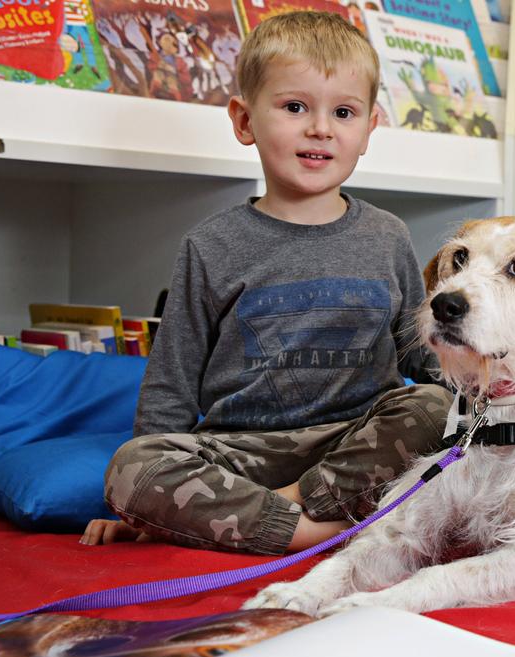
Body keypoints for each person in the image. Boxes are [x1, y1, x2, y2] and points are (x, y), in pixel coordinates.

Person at [80, 11, 451, 555]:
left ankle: (284, 512)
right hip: (240, 454)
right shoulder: (209, 245)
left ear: (369, 128)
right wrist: (135, 508)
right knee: (131, 468)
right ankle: (316, 532)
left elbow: (424, 360)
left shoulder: (388, 236)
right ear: (244, 119)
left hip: (351, 447)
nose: (320, 128)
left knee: (435, 407)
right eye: (294, 107)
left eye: (343, 112)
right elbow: (170, 385)